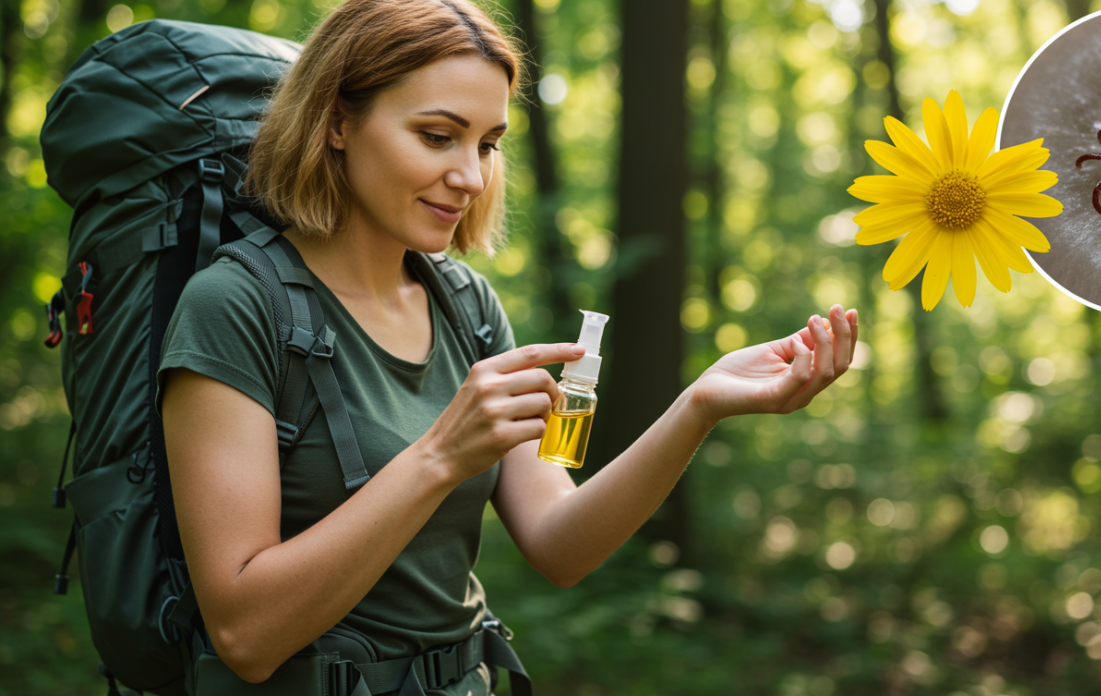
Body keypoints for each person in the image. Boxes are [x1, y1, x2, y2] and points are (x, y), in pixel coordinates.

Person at [157, 0, 860, 690]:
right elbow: (245, 637)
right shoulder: (236, 305)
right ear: (338, 122)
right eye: (438, 136)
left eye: (488, 143)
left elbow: (561, 543)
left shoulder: (465, 307)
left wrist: (699, 405)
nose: (470, 176)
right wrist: (439, 456)